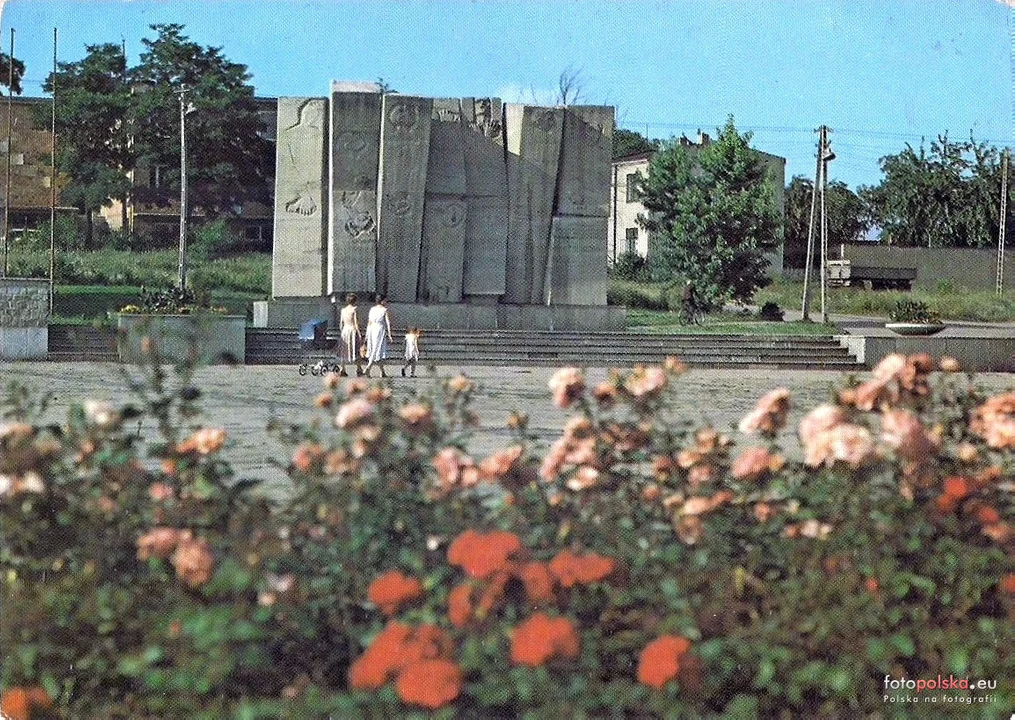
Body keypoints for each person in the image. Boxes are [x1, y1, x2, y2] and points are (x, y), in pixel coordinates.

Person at [363, 294, 393, 378]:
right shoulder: (384, 310)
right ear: (382, 301)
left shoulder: (372, 309)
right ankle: (368, 368)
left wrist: (367, 334)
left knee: (376, 350)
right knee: (376, 350)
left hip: (372, 329)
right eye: (385, 300)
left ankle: (382, 372)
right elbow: (388, 323)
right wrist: (389, 334)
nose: (386, 302)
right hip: (379, 330)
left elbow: (369, 322)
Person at [338, 294, 362, 377]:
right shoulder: (355, 309)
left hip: (345, 330)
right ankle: (359, 369)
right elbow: (356, 323)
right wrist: (359, 333)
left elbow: (341, 323)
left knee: (343, 350)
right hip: (352, 330)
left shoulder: (343, 310)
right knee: (355, 350)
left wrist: (342, 332)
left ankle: (342, 368)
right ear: (355, 301)